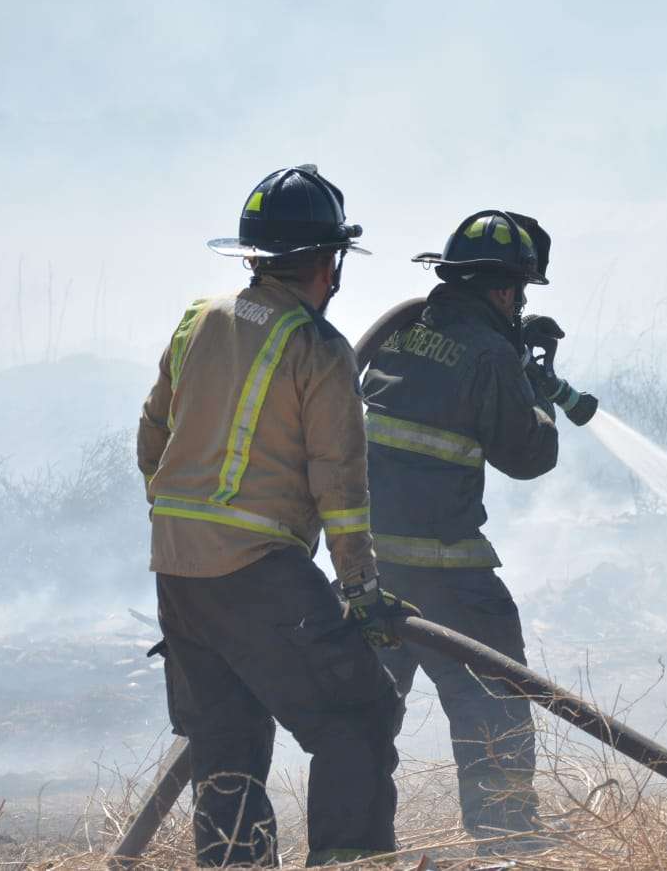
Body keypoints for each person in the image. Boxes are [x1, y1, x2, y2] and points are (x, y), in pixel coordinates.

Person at [138, 165, 408, 866]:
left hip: (177, 573)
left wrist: (184, 529)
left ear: (254, 256)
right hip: (257, 571)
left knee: (225, 747)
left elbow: (151, 437)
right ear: (330, 263)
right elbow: (341, 488)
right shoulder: (317, 349)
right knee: (358, 714)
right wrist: (361, 591)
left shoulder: (200, 320)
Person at [361, 210, 572, 855]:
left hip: (369, 573)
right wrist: (534, 389)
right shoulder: (488, 355)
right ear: (506, 291)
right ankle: (508, 847)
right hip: (448, 575)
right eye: (521, 292)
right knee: (497, 713)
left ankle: (357, 848)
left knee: (361, 724)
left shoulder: (400, 336)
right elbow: (529, 456)